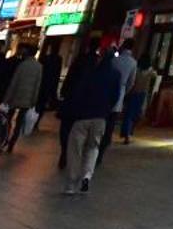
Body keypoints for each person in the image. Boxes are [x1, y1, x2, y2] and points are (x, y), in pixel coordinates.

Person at [57, 43, 121, 196]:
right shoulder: (115, 74)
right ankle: (87, 175)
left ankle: (71, 183)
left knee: (75, 149)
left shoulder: (90, 73)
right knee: (93, 148)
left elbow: (79, 92)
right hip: (101, 117)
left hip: (82, 116)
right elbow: (115, 97)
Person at [100, 39, 138, 158]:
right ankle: (103, 146)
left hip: (106, 91)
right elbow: (131, 82)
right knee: (111, 122)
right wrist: (124, 92)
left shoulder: (115, 60)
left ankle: (97, 142)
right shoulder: (133, 63)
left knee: (103, 119)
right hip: (120, 92)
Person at [3, 44, 43, 152]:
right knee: (19, 122)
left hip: (16, 96)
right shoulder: (39, 66)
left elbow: (14, 82)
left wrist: (7, 97)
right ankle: (12, 143)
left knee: (9, 118)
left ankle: (4, 138)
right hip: (28, 98)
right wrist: (34, 100)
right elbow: (37, 85)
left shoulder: (22, 65)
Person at [122, 58, 160, 143]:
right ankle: (129, 132)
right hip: (142, 95)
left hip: (133, 93)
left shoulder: (136, 70)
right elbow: (156, 75)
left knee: (129, 114)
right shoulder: (149, 72)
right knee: (136, 114)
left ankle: (127, 133)